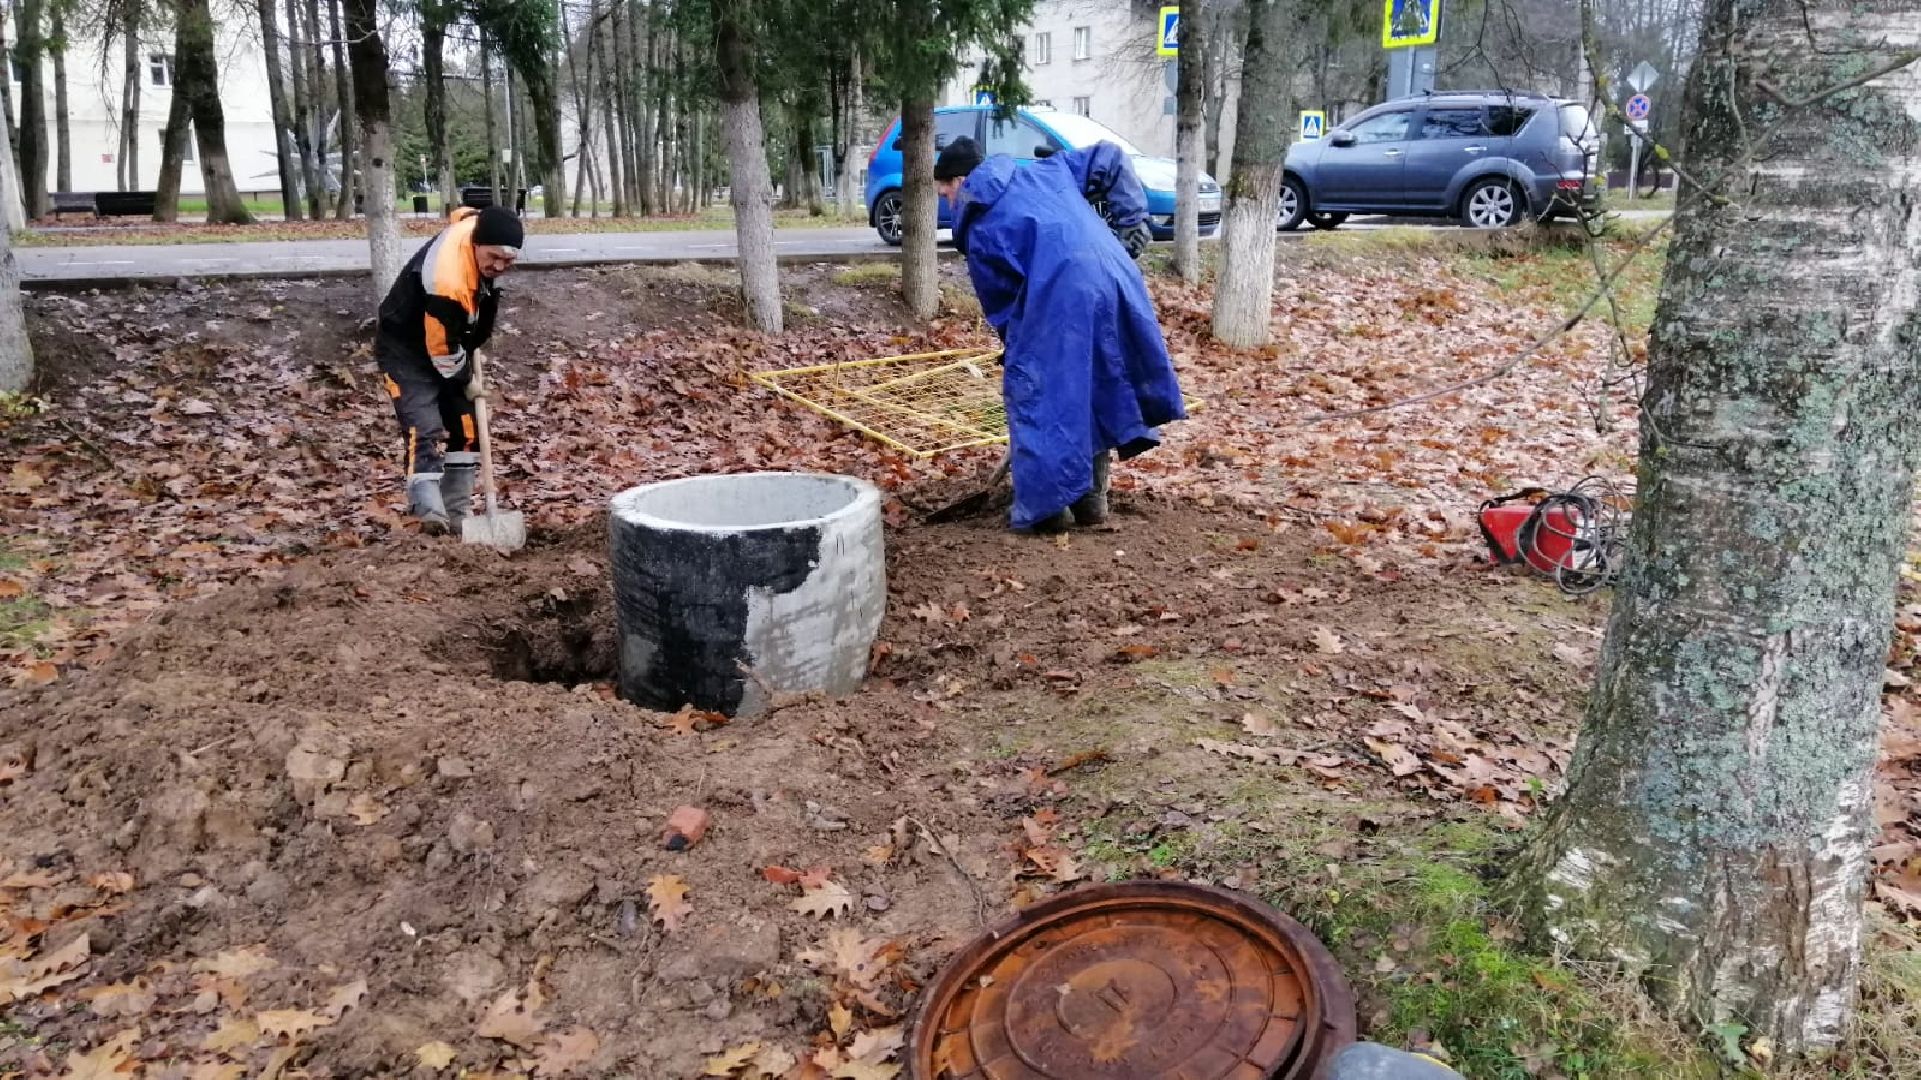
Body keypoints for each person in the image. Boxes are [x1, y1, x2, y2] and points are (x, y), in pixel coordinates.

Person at [934, 135, 1185, 532]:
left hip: (1060, 297)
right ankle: (1092, 502)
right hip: (1116, 276)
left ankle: (1049, 510)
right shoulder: (1048, 171)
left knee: (1038, 394)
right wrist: (1132, 220)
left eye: (944, 187)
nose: (945, 197)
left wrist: (1016, 350)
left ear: (962, 179)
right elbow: (1109, 155)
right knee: (1097, 383)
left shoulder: (981, 229)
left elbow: (1003, 307)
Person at [376, 205, 523, 533]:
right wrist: (465, 379)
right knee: (424, 426)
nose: (499, 266)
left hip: (449, 339)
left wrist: (475, 339)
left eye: (508, 261)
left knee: (467, 426)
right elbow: (441, 351)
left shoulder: (480, 233)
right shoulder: (448, 280)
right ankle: (428, 513)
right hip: (405, 347)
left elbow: (467, 213)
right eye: (494, 257)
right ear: (476, 244)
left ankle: (456, 515)